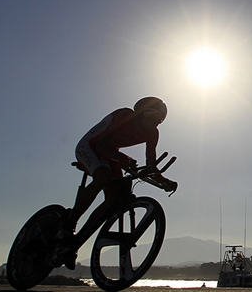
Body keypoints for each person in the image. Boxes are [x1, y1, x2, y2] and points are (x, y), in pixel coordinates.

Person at [57, 97, 177, 269]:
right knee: (103, 177)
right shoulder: (125, 116)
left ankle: (75, 242)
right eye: (156, 117)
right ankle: (69, 223)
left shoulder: (153, 133)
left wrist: (165, 182)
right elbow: (102, 144)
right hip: (91, 147)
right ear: (144, 113)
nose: (157, 123)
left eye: (161, 120)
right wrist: (124, 159)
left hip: (110, 153)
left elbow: (151, 164)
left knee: (113, 198)